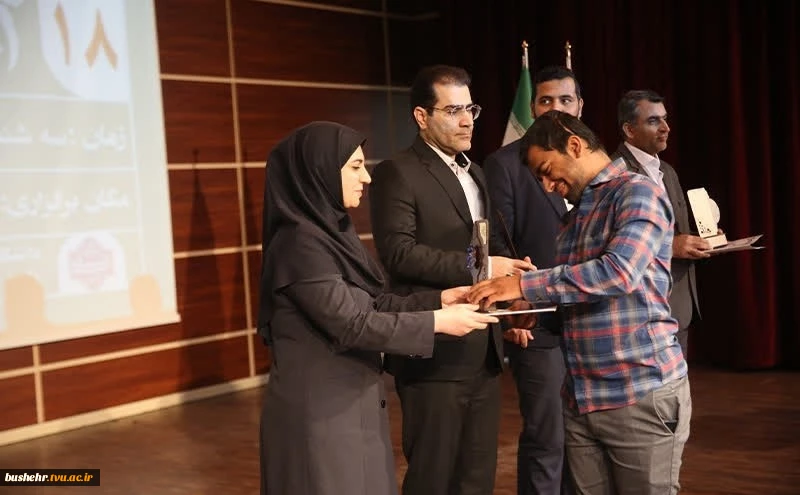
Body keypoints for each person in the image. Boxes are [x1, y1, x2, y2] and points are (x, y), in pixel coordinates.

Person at [256, 121, 498, 495]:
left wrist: (441, 299)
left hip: (352, 404)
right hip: (320, 413)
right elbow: (351, 324)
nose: (366, 178)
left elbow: (372, 301)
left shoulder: (330, 232)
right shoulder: (299, 244)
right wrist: (437, 322)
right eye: (355, 166)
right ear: (320, 171)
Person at [468, 111, 692, 495]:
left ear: (574, 145)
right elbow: (580, 302)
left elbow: (618, 274)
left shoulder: (637, 192)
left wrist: (522, 284)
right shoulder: (574, 218)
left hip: (639, 395)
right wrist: (535, 316)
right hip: (580, 401)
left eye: (547, 171)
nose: (546, 186)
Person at [369, 65, 531, 495]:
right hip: (434, 351)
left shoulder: (475, 171)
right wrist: (484, 268)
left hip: (484, 349)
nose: (467, 121)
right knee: (434, 477)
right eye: (453, 110)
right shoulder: (397, 171)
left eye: (470, 109)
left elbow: (486, 244)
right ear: (422, 117)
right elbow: (399, 253)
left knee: (477, 477)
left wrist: (508, 292)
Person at [483, 65, 583, 495]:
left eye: (565, 100)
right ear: (532, 106)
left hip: (590, 321)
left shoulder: (596, 163)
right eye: (545, 100)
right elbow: (498, 243)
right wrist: (511, 310)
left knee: (584, 440)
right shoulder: (505, 164)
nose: (555, 108)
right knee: (548, 438)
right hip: (536, 321)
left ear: (580, 106)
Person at [610, 89, 710, 357]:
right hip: (638, 313)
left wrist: (701, 240)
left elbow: (675, 232)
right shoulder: (614, 173)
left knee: (678, 384)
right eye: (654, 121)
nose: (666, 128)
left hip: (677, 307)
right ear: (629, 130)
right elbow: (612, 241)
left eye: (665, 119)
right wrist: (671, 246)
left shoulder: (668, 172)